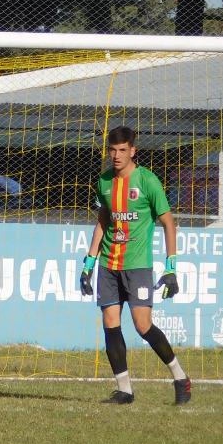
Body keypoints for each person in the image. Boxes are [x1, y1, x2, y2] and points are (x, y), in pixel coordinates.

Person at [79, 125, 190, 405]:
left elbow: (168, 223)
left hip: (137, 266)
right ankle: (125, 390)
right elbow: (103, 221)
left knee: (143, 326)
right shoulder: (104, 181)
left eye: (122, 150)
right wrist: (88, 263)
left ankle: (180, 377)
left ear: (133, 151)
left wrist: (171, 267)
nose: (116, 156)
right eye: (112, 150)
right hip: (108, 264)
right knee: (110, 323)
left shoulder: (148, 181)